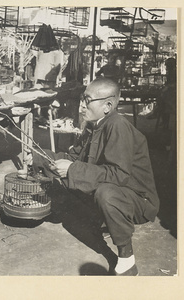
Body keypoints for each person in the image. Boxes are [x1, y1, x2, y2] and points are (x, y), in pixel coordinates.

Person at [30, 77, 160, 276]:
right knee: (56, 168)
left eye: (88, 100)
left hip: (136, 199)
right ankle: (101, 220)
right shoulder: (94, 125)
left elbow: (119, 175)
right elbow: (74, 157)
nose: (82, 104)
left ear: (108, 105)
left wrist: (72, 169)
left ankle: (126, 258)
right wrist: (39, 156)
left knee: (104, 192)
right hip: (115, 188)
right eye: (83, 98)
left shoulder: (118, 126)